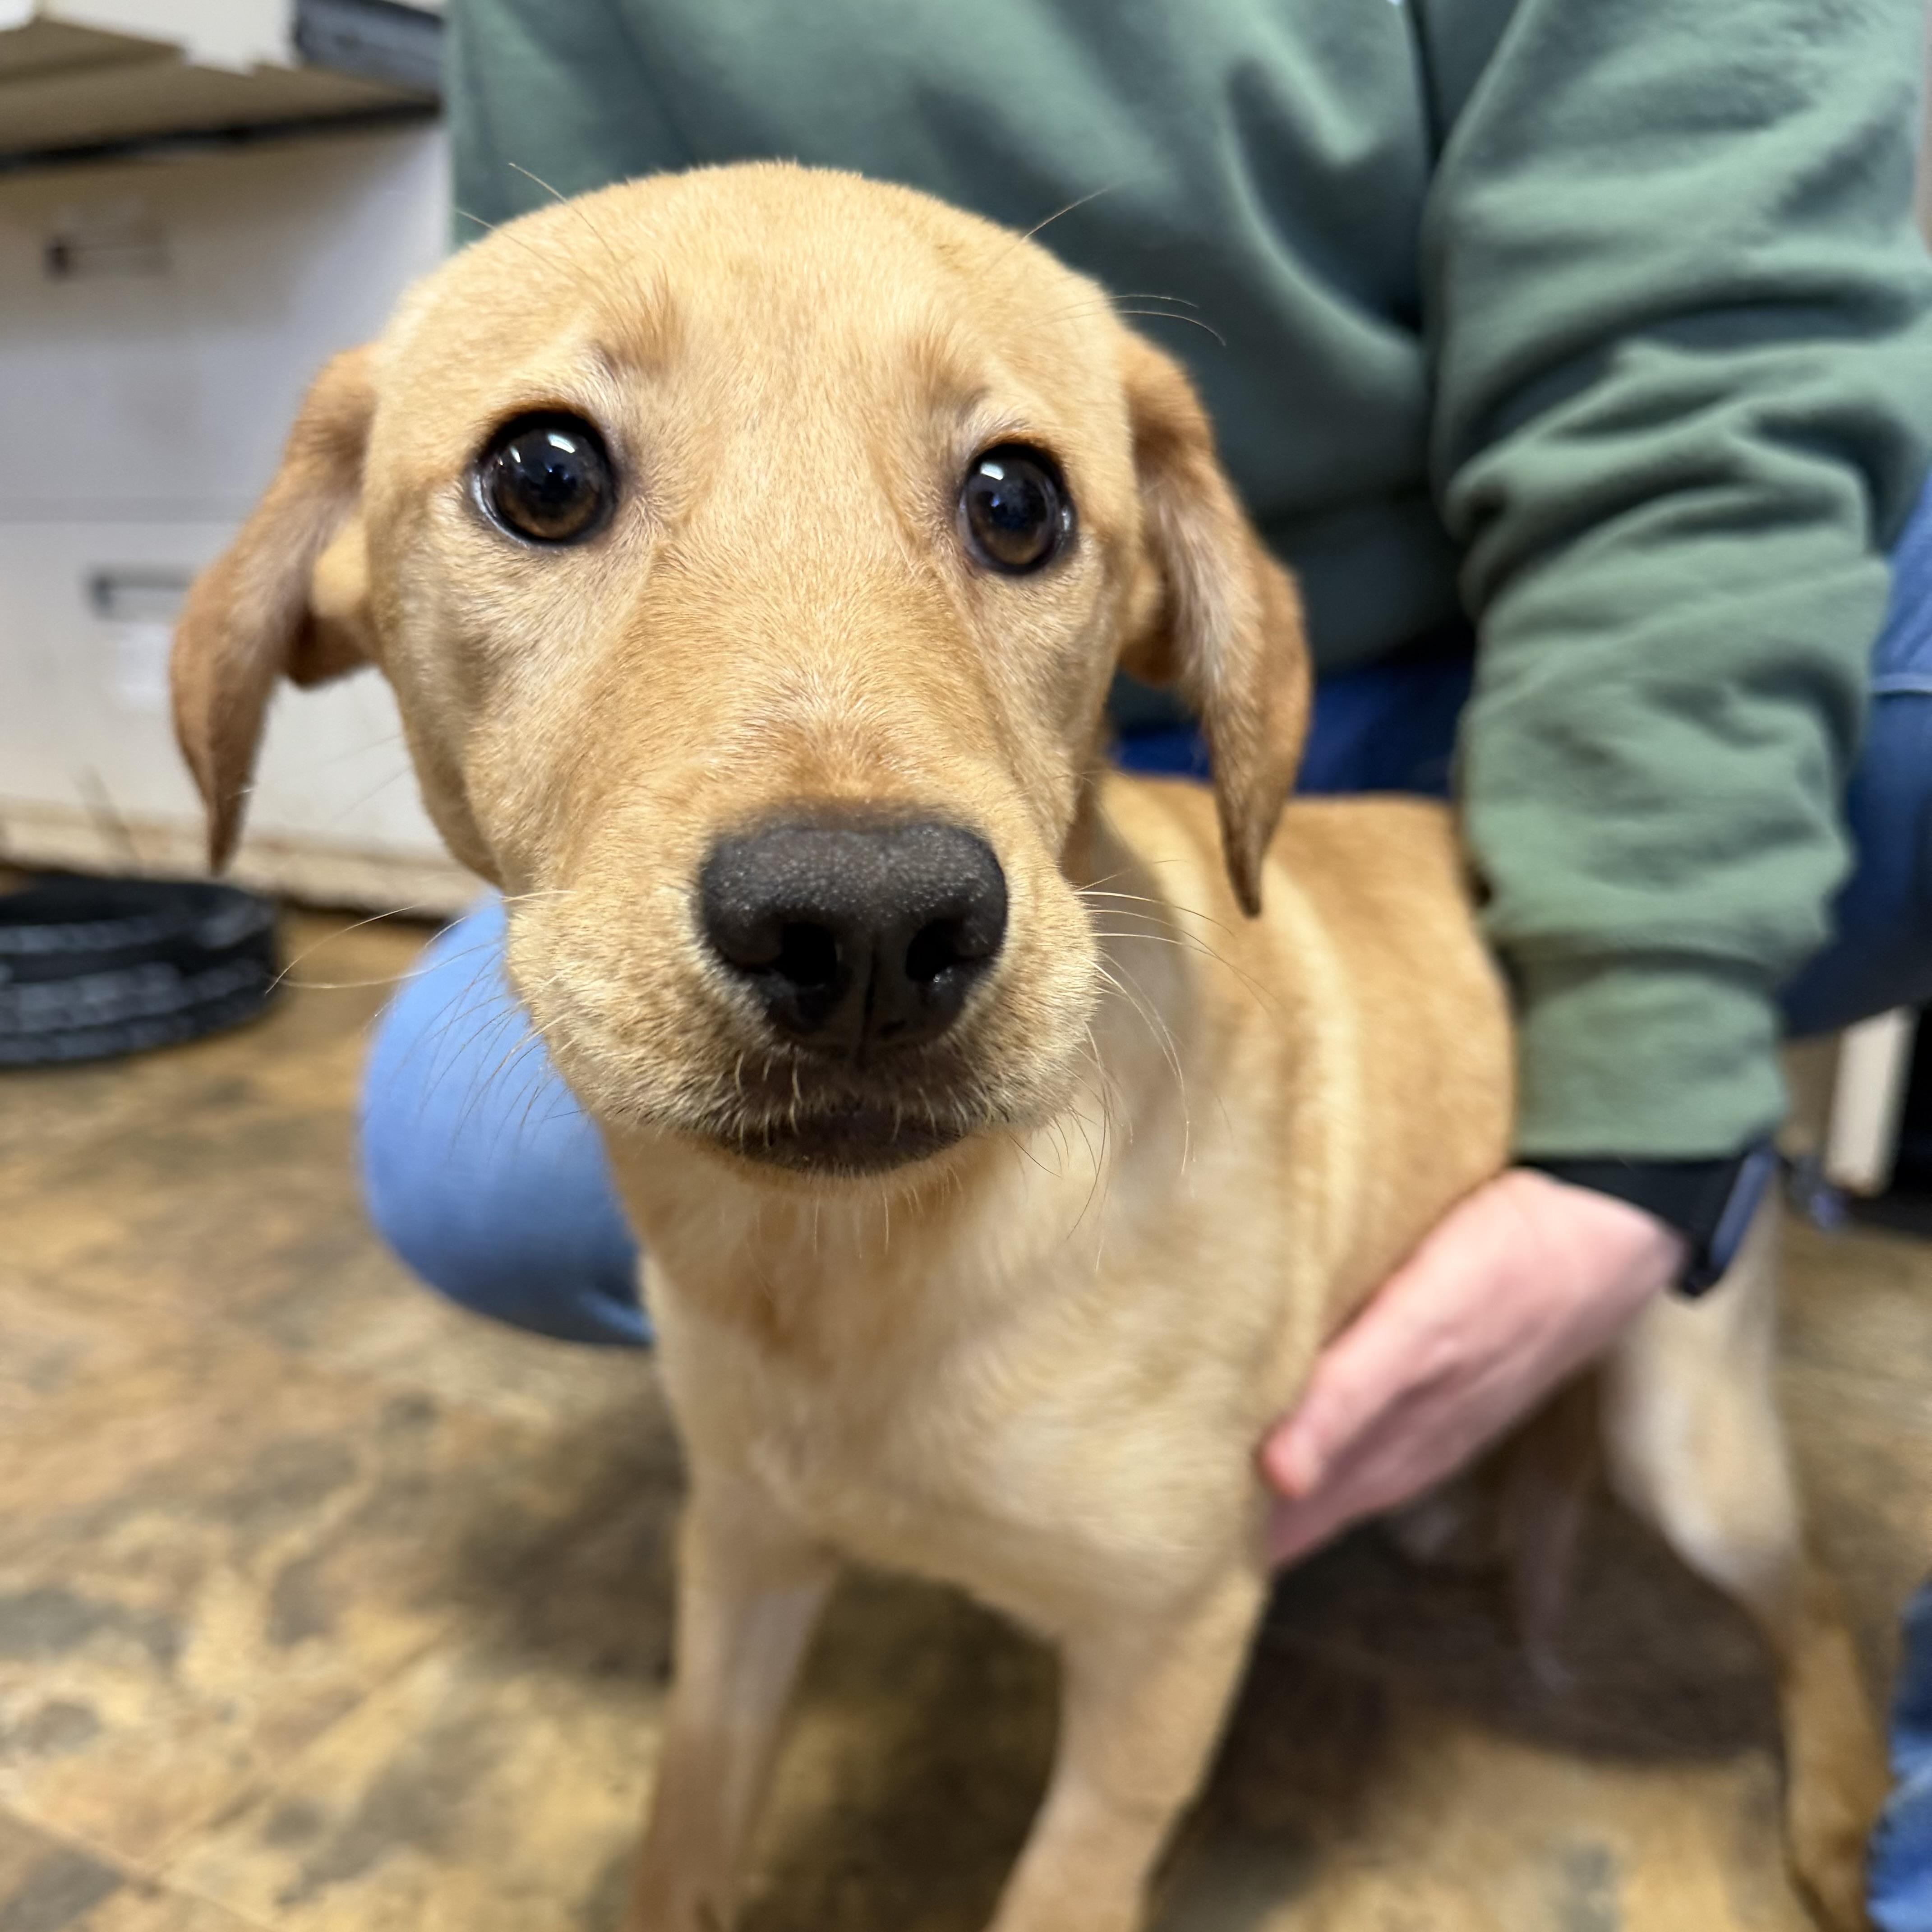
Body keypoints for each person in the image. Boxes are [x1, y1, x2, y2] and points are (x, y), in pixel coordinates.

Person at [362, 0, 1932, 1749]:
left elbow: (1716, 359)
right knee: (464, 1159)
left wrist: (1647, 1086)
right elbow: (552, 301)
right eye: (552, 487)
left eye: (1008, 499)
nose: (854, 906)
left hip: (1564, 594)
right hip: (1091, 702)